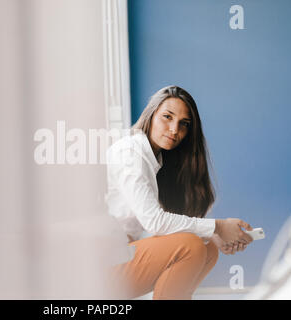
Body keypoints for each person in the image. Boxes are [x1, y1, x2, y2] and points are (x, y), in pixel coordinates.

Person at [105, 85, 254, 300]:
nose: (175, 130)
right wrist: (218, 226)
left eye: (184, 124)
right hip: (100, 266)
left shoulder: (157, 160)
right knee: (190, 246)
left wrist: (214, 235)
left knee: (207, 247)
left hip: (123, 254)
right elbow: (155, 223)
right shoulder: (130, 152)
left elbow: (159, 226)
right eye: (167, 117)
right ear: (151, 115)